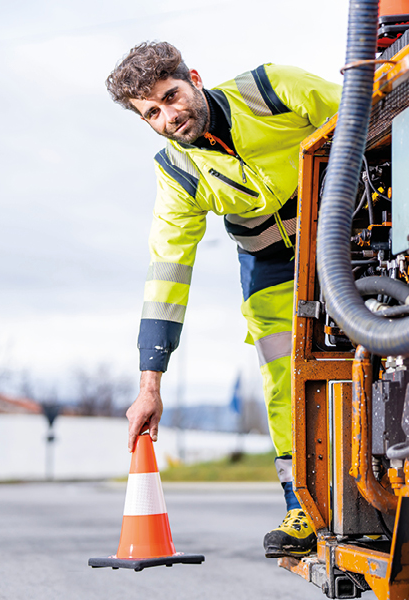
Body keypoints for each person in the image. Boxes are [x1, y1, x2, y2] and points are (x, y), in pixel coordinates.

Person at [105, 41, 339, 558]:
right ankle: (301, 505)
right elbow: (167, 273)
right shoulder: (178, 174)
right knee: (285, 376)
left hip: (349, 230)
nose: (169, 116)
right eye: (152, 113)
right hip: (273, 266)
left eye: (171, 96)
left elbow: (365, 117)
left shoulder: (272, 89)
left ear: (192, 77)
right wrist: (150, 385)